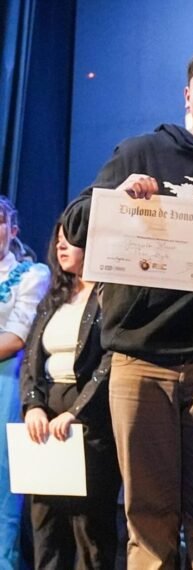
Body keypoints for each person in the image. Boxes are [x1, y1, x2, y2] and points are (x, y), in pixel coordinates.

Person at [63, 42, 193, 569]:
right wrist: (116, 198)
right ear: (186, 94)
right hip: (141, 360)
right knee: (146, 518)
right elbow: (75, 225)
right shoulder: (140, 152)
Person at [20, 213, 120, 569]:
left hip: (90, 423)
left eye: (71, 239)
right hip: (45, 422)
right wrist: (33, 405)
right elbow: (31, 356)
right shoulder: (55, 296)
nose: (61, 245)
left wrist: (76, 413)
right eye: (58, 239)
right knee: (45, 526)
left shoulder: (111, 296)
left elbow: (112, 360)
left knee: (88, 528)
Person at [0, 196, 50, 567]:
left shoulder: (31, 275)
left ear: (12, 230)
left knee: (2, 487)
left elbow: (17, 337)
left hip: (6, 384)